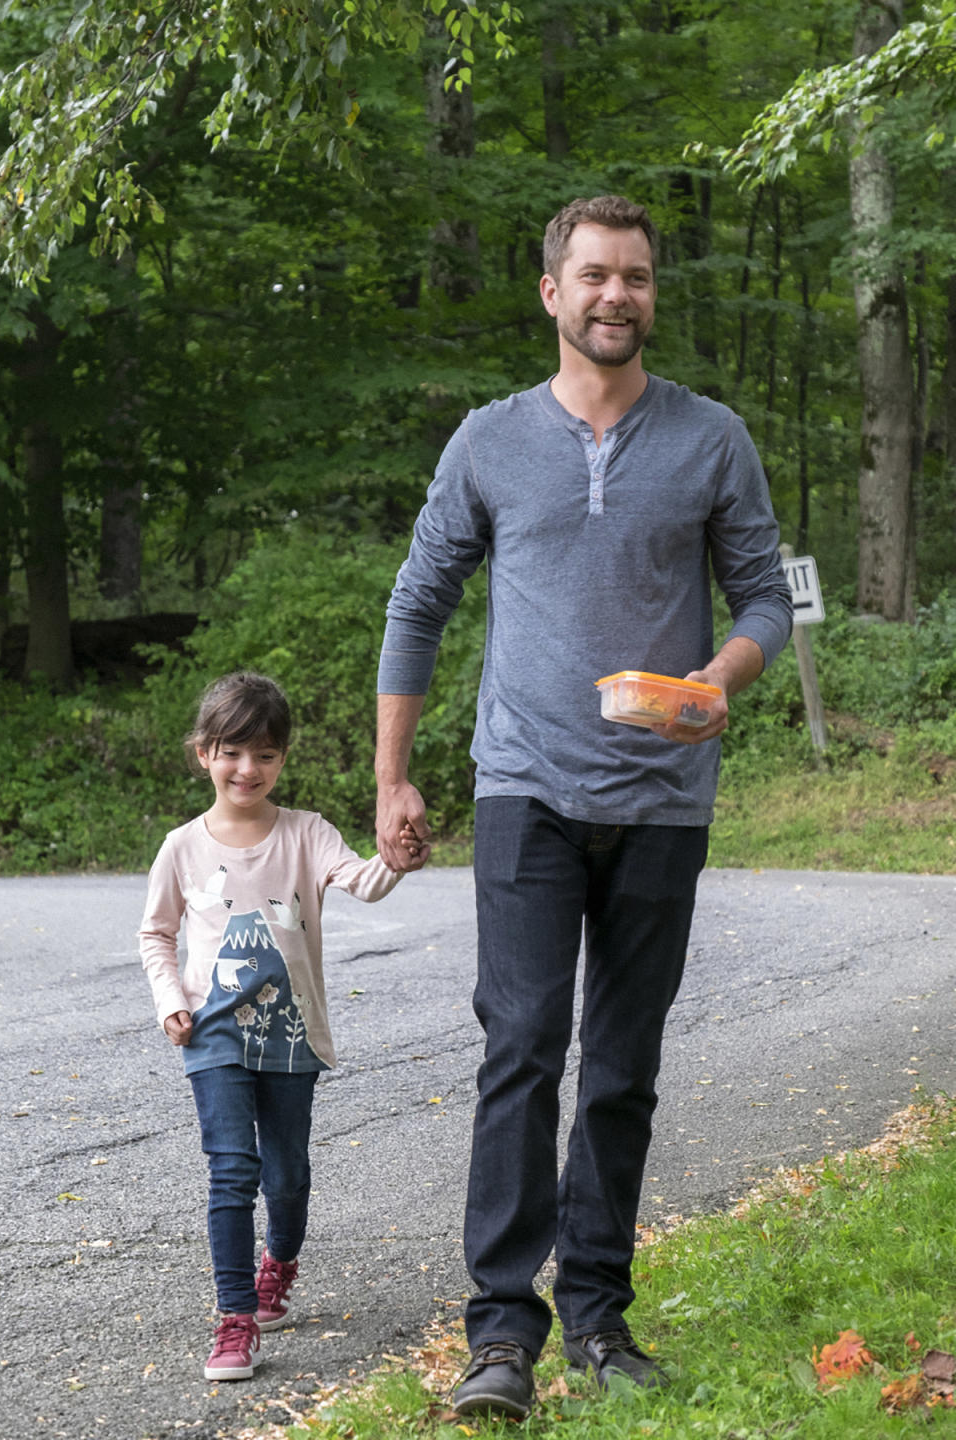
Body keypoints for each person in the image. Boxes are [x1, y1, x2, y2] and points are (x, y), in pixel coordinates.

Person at [374, 195, 793, 1418]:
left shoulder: (713, 437)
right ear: (551, 292)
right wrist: (395, 776)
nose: (620, 295)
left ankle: (600, 1320)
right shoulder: (488, 441)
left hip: (664, 797)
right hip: (525, 790)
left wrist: (720, 678)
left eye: (640, 278)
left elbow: (767, 598)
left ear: (654, 295)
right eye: (597, 275)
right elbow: (418, 605)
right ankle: (501, 1335)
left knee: (620, 1067)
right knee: (520, 1050)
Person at [140, 671, 415, 1382]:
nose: (247, 769)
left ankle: (280, 1262)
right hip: (213, 1031)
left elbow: (362, 880)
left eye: (264, 754)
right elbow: (157, 934)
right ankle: (234, 1320)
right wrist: (171, 998)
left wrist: (397, 859)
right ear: (203, 753)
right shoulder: (181, 847)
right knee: (234, 1168)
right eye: (232, 752)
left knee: (286, 1174)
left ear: (282, 760)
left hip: (291, 1031)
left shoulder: (306, 833)